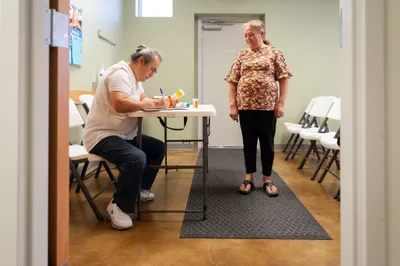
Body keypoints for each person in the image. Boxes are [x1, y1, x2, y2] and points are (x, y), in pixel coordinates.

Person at [83, 44, 170, 230]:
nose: (152, 75)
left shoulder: (136, 80)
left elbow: (142, 100)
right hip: (102, 135)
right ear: (141, 61)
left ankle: (138, 189)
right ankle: (119, 206)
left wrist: (157, 102)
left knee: (157, 148)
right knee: (136, 157)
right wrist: (150, 104)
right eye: (152, 70)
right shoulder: (120, 74)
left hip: (124, 134)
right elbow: (120, 104)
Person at [224, 20, 292, 197]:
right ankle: (249, 178)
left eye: (251, 35)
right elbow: (232, 80)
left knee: (267, 144)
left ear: (261, 34)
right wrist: (233, 105)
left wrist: (281, 103)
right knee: (249, 143)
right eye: (245, 35)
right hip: (245, 106)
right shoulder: (242, 55)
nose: (247, 38)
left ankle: (267, 179)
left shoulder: (274, 53)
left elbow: (284, 78)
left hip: (268, 107)